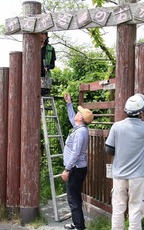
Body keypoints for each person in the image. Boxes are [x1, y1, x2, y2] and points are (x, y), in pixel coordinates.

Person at [105, 93, 144, 230]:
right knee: (135, 208)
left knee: (118, 208)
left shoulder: (116, 127)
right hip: (137, 175)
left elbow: (108, 149)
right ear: (141, 112)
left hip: (119, 174)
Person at [61, 93, 94, 230]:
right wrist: (69, 103)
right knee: (74, 197)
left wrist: (67, 170)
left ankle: (79, 227)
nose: (76, 114)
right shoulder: (79, 128)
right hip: (76, 168)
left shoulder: (80, 132)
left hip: (75, 169)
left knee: (73, 199)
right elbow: (71, 117)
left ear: (80, 118)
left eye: (78, 112)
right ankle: (77, 223)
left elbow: (75, 153)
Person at [41, 32, 56, 96]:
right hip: (32, 77)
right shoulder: (31, 47)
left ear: (46, 36)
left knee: (43, 97)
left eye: (42, 34)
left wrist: (48, 66)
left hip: (45, 77)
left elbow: (53, 65)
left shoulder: (51, 49)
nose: (40, 36)